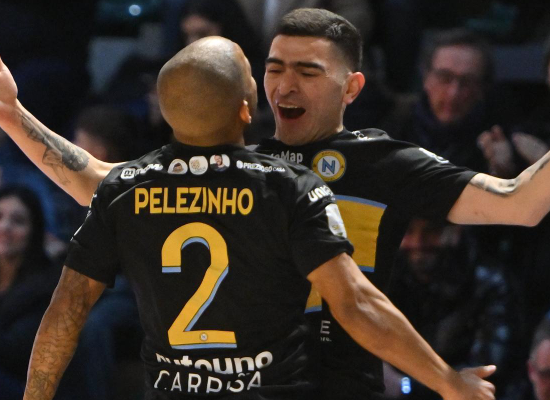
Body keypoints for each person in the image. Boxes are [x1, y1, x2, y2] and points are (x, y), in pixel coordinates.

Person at [0, 8, 542, 400]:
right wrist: (12, 114)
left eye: (307, 72)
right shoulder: (246, 163)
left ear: (352, 88)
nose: (284, 85)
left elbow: (520, 203)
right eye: (275, 67)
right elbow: (104, 183)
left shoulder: (387, 162)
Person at [383, 218, 521, 399]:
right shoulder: (390, 280)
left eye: (431, 231)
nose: (418, 242)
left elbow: (487, 373)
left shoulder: (490, 283)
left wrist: (406, 386)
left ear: (456, 231)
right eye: (408, 232)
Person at [0, 186, 59, 400]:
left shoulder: (46, 287)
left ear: (34, 232)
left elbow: (15, 352)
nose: (5, 227)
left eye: (18, 221)